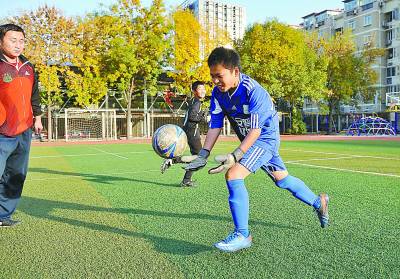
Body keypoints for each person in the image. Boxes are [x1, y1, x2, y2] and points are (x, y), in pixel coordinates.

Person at [185, 47, 329, 252]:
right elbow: (215, 125)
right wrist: (203, 154)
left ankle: (243, 235)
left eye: (219, 76)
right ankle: (318, 202)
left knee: (233, 175)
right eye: (212, 77)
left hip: (265, 140)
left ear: (235, 71)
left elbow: (255, 130)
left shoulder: (253, 91)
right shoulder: (218, 93)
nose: (215, 81)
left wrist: (236, 155)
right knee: (283, 180)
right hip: (253, 142)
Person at [0, 24, 43, 227]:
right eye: (12, 40)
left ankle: (3, 216)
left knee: (16, 176)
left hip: (24, 130)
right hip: (2, 131)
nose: (18, 45)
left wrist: (38, 117)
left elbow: (35, 95)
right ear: (1, 41)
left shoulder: (29, 67)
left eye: (21, 41)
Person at [161, 81, 207, 187]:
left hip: (189, 131)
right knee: (200, 159)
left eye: (204, 88)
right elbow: (192, 117)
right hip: (192, 133)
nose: (203, 90)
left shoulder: (193, 101)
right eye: (200, 88)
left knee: (197, 158)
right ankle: (172, 161)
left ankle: (186, 180)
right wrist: (203, 116)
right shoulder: (197, 103)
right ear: (194, 91)